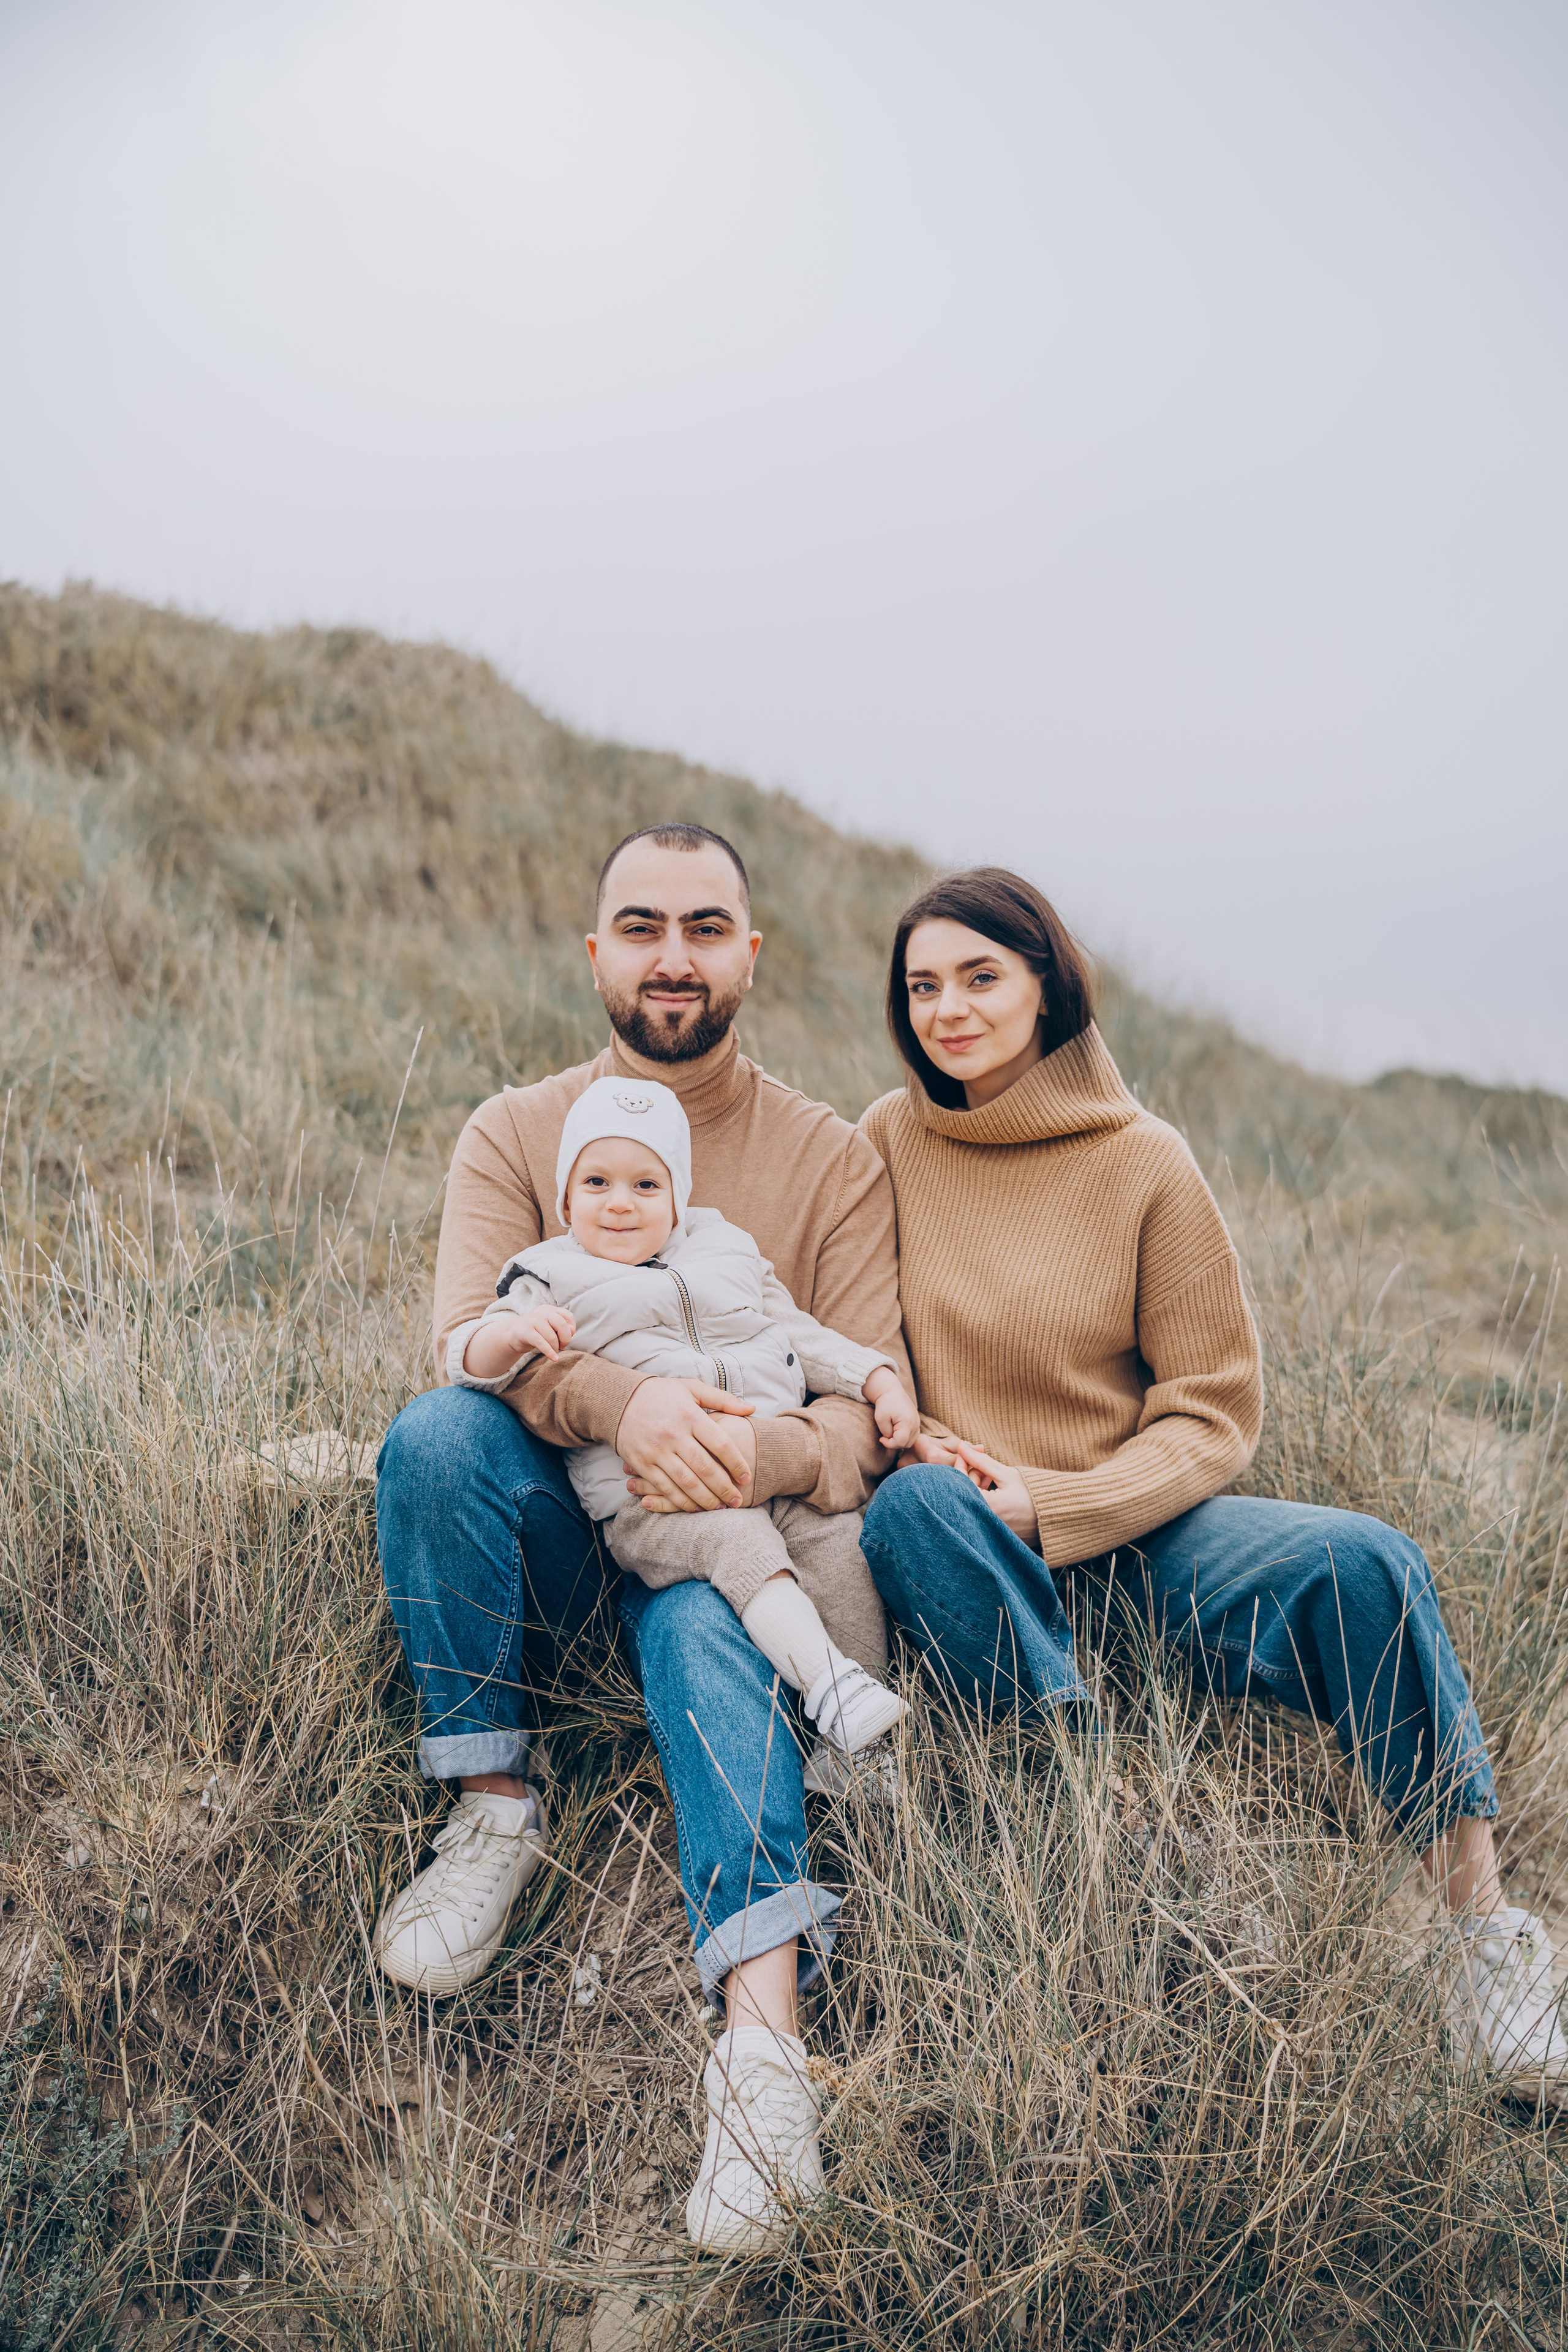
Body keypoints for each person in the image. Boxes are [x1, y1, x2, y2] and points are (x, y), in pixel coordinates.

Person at [854, 864, 1566, 2111]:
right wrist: (924, 1449)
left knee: (1367, 1562)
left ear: (1045, 986)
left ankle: (1480, 1940)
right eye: (922, 986)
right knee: (910, 1512)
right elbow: (854, 1346)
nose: (947, 1010)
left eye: (980, 977)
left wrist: (1060, 1506)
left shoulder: (1144, 1162)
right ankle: (1104, 1845)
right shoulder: (883, 1144)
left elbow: (1209, 1410)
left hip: (1135, 1537)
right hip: (963, 1545)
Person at [373, 821, 911, 2255]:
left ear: (747, 952)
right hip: (565, 1529)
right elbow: (469, 1349)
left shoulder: (828, 1158)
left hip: (724, 1548)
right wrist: (628, 1399)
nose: (670, 953)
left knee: (705, 1611)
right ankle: (491, 1806)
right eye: (638, 923)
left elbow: (868, 1406)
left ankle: (762, 2049)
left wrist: (757, 1448)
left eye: (701, 925)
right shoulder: (516, 1127)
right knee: (433, 1439)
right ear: (596, 951)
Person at [442, 1072, 915, 1768]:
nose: (620, 1205)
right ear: (565, 1198)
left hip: (770, 1466)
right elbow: (464, 1356)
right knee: (739, 1545)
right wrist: (514, 1334)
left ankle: (857, 1750)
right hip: (654, 1496)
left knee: (840, 1548)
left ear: (677, 1199)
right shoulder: (548, 1276)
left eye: (645, 1186)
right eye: (596, 1183)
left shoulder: (727, 1251)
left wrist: (876, 1378)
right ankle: (827, 1686)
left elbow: (799, 1334)